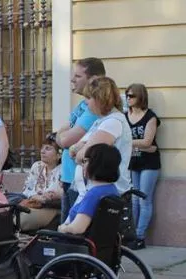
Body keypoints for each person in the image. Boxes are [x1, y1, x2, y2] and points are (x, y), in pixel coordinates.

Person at [55, 57, 106, 221]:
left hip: (82, 182)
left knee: (72, 233)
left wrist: (60, 135)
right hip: (70, 177)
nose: (72, 79)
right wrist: (62, 134)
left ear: (93, 79)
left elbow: (64, 140)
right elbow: (63, 134)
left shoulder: (94, 108)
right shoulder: (83, 105)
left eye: (77, 76)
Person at [69, 76, 132, 199]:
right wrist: (79, 148)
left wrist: (80, 149)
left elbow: (83, 155)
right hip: (93, 191)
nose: (86, 103)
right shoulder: (103, 121)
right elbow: (76, 150)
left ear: (99, 99)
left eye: (89, 98)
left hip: (104, 194)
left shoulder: (112, 122)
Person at [125, 83, 161, 250]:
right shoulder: (125, 116)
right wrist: (141, 145)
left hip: (149, 163)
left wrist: (127, 143)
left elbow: (148, 141)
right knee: (134, 199)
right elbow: (146, 144)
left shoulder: (150, 117)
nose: (128, 98)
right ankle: (132, 235)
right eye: (127, 95)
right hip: (134, 162)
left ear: (141, 97)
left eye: (131, 96)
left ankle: (140, 237)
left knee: (144, 199)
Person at [58, 144, 121, 235]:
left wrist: (63, 228)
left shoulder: (94, 194)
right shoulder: (112, 190)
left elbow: (77, 228)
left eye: (85, 161)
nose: (82, 165)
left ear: (96, 164)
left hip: (78, 244)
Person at [15, 134, 63, 232]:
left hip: (50, 208)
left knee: (21, 219)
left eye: (48, 149)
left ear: (59, 155)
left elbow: (57, 195)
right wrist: (35, 196)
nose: (42, 151)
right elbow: (26, 191)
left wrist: (43, 198)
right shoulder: (37, 166)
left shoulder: (63, 171)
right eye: (42, 148)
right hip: (32, 204)